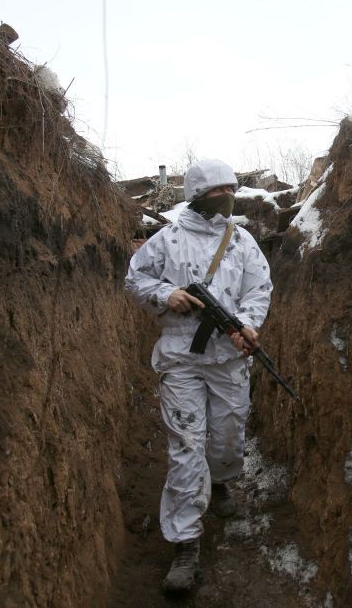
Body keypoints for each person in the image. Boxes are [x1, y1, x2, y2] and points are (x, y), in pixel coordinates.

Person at [125, 159, 273, 594]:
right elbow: (134, 280)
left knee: (227, 434)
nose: (227, 196)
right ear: (197, 194)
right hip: (180, 360)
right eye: (218, 190)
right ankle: (185, 542)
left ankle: (222, 482)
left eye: (231, 187)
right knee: (187, 445)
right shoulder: (166, 239)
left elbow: (259, 287)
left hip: (229, 359)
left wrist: (246, 323)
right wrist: (165, 293)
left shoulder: (242, 240)